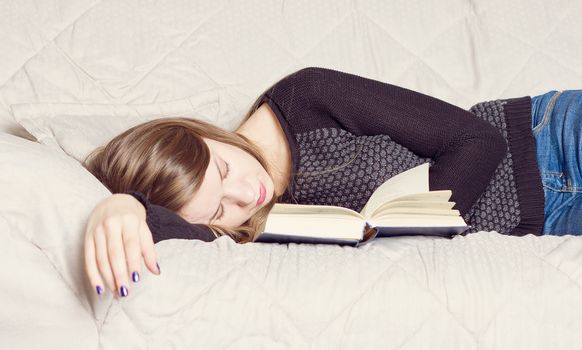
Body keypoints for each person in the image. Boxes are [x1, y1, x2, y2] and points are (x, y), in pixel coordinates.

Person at [82, 67, 581, 298]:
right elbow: (178, 231)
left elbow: (478, 141)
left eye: (224, 169)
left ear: (203, 134)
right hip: (544, 218)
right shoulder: (255, 227)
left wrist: (420, 225)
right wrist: (123, 207)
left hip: (547, 141)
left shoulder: (307, 96)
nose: (244, 195)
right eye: (219, 210)